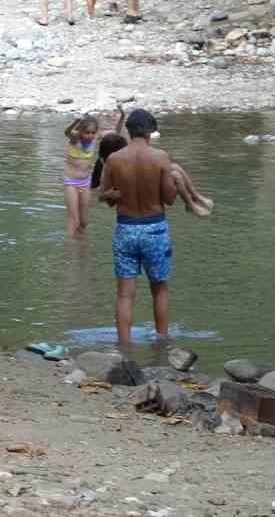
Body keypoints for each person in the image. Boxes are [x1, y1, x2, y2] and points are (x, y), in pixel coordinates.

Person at [98, 108, 201, 347]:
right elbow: (169, 199)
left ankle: (124, 346)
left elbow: (107, 197)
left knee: (125, 294)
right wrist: (176, 184)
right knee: (160, 289)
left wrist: (112, 196)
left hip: (125, 229)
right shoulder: (161, 157)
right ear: (150, 131)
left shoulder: (114, 159)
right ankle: (161, 342)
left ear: (129, 130)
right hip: (154, 229)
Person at [61, 114, 100, 236]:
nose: (90, 135)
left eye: (93, 133)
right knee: (74, 220)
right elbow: (67, 132)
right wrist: (76, 122)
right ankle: (71, 249)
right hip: (71, 183)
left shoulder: (95, 139)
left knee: (83, 222)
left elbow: (115, 132)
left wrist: (122, 116)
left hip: (85, 183)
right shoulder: (75, 139)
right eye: (87, 132)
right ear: (80, 131)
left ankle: (82, 247)